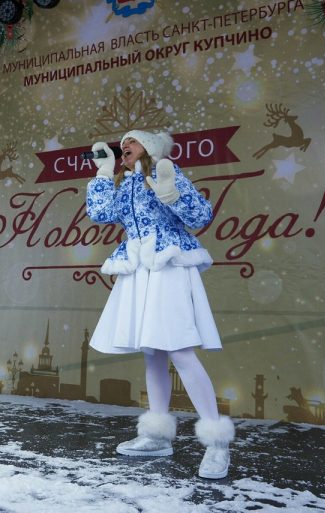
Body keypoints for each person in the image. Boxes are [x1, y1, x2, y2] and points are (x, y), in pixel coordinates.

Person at [86, 131, 234, 479]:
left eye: (132, 142)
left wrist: (171, 194)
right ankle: (157, 436)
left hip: (168, 264)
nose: (124, 146)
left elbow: (200, 215)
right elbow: (99, 212)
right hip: (139, 268)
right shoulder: (125, 183)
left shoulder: (165, 170)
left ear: (149, 147)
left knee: (180, 352)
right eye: (122, 143)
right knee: (152, 352)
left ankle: (217, 443)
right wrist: (104, 174)